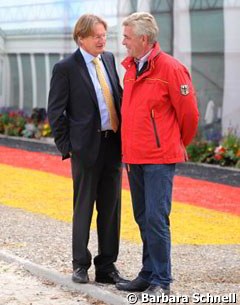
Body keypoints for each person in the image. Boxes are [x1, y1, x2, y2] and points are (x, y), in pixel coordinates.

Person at [116, 12, 199, 296]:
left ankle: (162, 281)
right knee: (143, 217)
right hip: (134, 157)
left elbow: (190, 116)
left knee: (156, 218)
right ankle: (148, 273)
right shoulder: (129, 68)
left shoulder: (172, 69)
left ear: (143, 39)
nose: (123, 42)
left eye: (127, 37)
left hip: (158, 159)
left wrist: (170, 144)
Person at [48, 14, 126, 285]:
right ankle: (80, 264)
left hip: (113, 145)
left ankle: (106, 266)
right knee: (83, 208)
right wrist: (69, 148)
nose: (102, 40)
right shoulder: (65, 68)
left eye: (104, 35)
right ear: (81, 38)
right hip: (85, 149)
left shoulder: (109, 60)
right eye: (96, 36)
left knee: (111, 209)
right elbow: (56, 112)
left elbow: (117, 96)